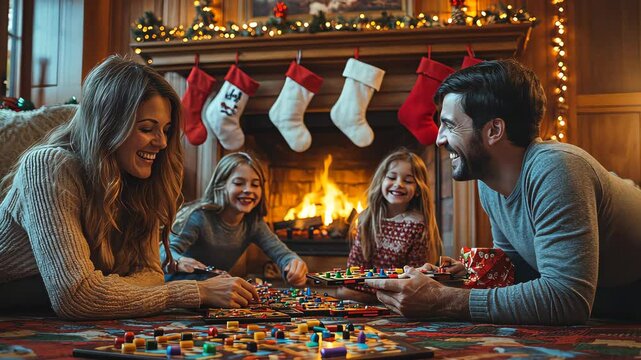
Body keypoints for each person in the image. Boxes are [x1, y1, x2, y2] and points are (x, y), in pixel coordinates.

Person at [366, 59, 641, 325]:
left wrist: (441, 300)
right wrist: (455, 278)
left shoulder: (557, 168)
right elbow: (518, 267)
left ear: (494, 130)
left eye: (449, 125)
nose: (439, 139)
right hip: (608, 304)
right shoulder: (489, 181)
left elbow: (567, 298)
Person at [0, 55, 258, 320]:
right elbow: (76, 297)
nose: (162, 143)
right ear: (108, 125)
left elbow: (151, 275)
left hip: (44, 308)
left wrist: (103, 288)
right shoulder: (47, 166)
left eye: (166, 130)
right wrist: (193, 292)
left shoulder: (137, 180)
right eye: (147, 128)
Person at [160, 152, 309, 287]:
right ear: (221, 185)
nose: (248, 190)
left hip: (217, 292)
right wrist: (179, 261)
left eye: (255, 185)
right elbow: (164, 252)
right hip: (180, 288)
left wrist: (294, 264)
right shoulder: (199, 217)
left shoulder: (253, 223)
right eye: (238, 183)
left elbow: (282, 254)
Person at [338, 149, 442, 302]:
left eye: (408, 181)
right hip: (363, 288)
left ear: (418, 189)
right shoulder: (367, 219)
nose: (398, 184)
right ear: (381, 181)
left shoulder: (417, 225)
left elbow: (415, 276)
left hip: (398, 293)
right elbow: (355, 268)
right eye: (392, 177)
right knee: (344, 293)